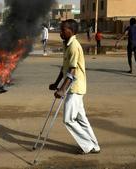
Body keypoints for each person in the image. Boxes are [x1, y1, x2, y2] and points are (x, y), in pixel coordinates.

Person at [49, 19, 100, 154]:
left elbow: (72, 70)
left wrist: (62, 89)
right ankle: (94, 145)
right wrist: (56, 83)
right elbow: (64, 68)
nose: (60, 32)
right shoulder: (67, 44)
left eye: (62, 30)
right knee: (81, 119)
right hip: (73, 87)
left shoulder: (73, 46)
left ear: (71, 31)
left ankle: (88, 146)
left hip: (75, 88)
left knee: (68, 120)